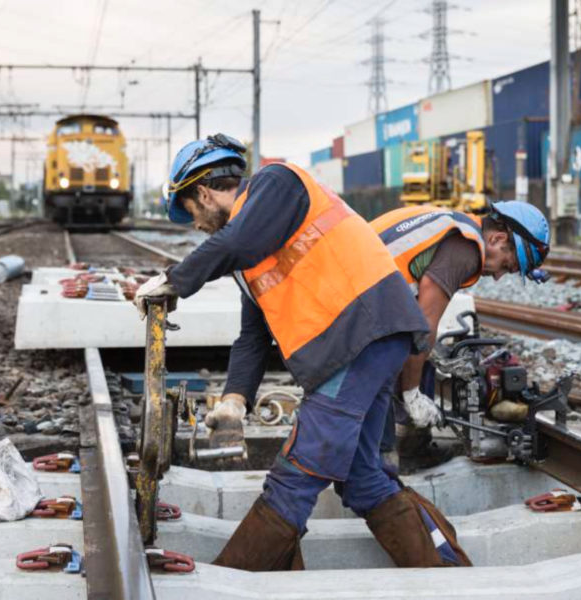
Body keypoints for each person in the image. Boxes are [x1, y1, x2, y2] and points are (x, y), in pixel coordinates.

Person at [134, 134, 472, 570]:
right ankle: (446, 571)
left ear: (203, 192)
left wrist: (174, 280)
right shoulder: (252, 251)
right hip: (364, 343)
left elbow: (235, 243)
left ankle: (237, 580)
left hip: (361, 336)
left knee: (296, 475)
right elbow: (252, 337)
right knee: (363, 478)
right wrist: (235, 402)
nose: (196, 225)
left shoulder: (277, 183)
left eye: (193, 213)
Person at [369, 202, 551, 457]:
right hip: (346, 311)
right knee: (374, 422)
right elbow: (422, 327)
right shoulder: (466, 248)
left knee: (416, 365)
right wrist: (412, 394)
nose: (498, 276)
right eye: (505, 266)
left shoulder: (456, 223)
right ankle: (383, 468)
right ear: (498, 238)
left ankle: (388, 465)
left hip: (349, 298)